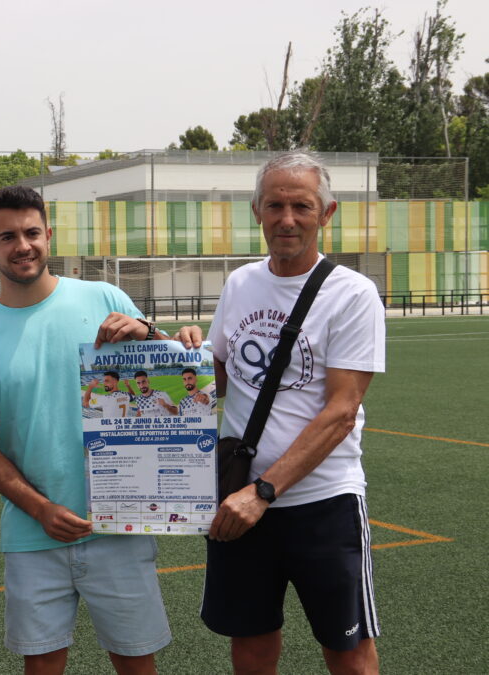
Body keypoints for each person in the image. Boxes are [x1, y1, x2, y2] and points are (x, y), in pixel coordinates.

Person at [0, 185, 199, 675]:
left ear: (49, 235)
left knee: (137, 663)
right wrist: (40, 508)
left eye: (31, 233)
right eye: (8, 236)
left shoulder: (104, 297)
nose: (22, 245)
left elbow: (172, 388)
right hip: (34, 532)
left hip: (119, 523)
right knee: (43, 665)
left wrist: (160, 336)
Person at [198, 151, 385, 674]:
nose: (287, 218)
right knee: (252, 645)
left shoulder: (352, 295)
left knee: (348, 652)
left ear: (326, 214)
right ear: (256, 210)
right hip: (238, 501)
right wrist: (164, 349)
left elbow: (341, 412)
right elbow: (214, 378)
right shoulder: (240, 284)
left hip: (322, 504)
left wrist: (261, 494)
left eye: (301, 206)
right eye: (275, 205)